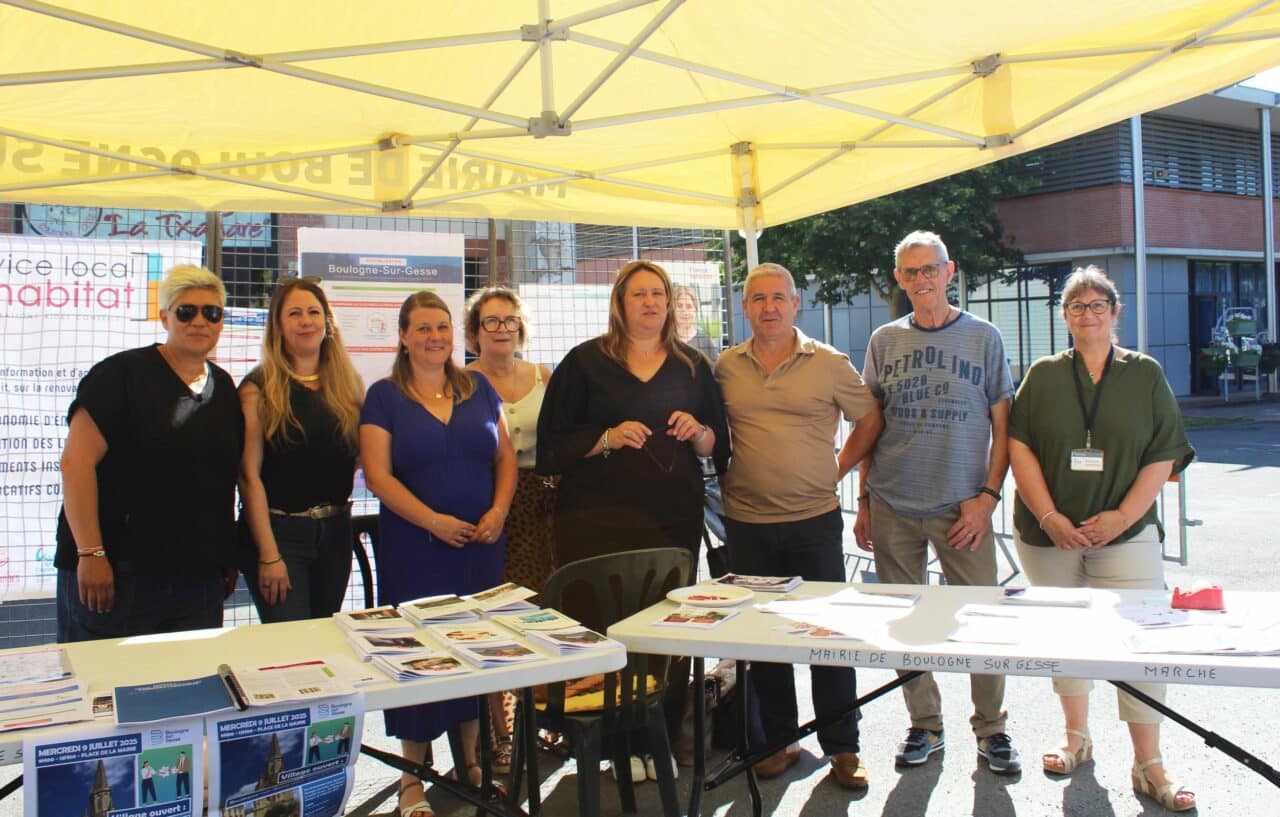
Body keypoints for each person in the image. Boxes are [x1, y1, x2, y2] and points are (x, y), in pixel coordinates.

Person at [1008, 266, 1195, 811]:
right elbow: (1019, 448)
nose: (1087, 315)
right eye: (1075, 307)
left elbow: (1164, 454)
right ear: (1064, 317)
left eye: (1097, 305)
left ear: (1116, 312)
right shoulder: (1042, 375)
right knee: (1065, 642)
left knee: (1141, 646)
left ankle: (1148, 762)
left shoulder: (1146, 374)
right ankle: (1075, 738)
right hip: (1050, 536)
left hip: (1127, 533)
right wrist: (1047, 517)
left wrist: (1121, 516)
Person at [854, 230, 1020, 774]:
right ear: (899, 279)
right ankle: (925, 724)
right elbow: (870, 425)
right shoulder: (884, 340)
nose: (921, 279)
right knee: (908, 622)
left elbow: (1004, 425)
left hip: (962, 508)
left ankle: (992, 729)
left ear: (950, 273)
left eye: (931, 269)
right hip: (894, 503)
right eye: (911, 272)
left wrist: (987, 501)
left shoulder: (983, 337)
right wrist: (863, 502)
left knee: (981, 620)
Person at [715, 262, 884, 790]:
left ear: (796, 304)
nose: (768, 307)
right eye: (758, 298)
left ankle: (843, 747)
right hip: (746, 523)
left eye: (778, 298)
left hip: (814, 521)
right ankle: (779, 741)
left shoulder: (829, 363)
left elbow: (870, 418)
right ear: (745, 308)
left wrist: (838, 469)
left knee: (827, 637)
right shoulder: (724, 368)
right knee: (767, 640)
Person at [361, 291, 516, 817]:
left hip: (480, 546)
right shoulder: (383, 397)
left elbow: (505, 458)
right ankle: (411, 778)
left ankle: (470, 764)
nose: (434, 338)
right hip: (416, 548)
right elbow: (377, 476)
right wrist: (432, 521)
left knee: (474, 652)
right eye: (423, 328)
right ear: (403, 336)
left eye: (442, 327)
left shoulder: (479, 388)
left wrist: (497, 512)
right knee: (418, 658)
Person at [55, 264, 243, 642]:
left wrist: (225, 556)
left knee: (191, 690)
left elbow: (221, 479)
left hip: (197, 581)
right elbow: (76, 464)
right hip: (119, 576)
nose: (199, 321)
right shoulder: (120, 375)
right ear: (164, 317)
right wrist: (90, 554)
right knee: (105, 689)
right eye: (186, 311)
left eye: (212, 312)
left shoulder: (223, 387)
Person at [537, 260, 729, 566]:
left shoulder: (694, 365)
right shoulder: (583, 363)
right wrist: (608, 438)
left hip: (674, 521)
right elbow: (551, 447)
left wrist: (698, 431)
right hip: (594, 523)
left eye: (657, 293)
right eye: (639, 294)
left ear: (668, 301)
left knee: (668, 611)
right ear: (620, 303)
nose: (650, 301)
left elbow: (716, 448)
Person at [464, 287, 556, 775]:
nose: (502, 328)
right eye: (491, 321)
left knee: (545, 614)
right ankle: (499, 735)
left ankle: (542, 717)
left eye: (509, 320)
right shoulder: (460, 382)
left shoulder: (545, 375)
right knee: (496, 619)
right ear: (475, 330)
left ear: (522, 326)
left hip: (547, 509)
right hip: (492, 509)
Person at [238, 277, 364, 623]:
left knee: (325, 636)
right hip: (280, 536)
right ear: (278, 325)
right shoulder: (258, 389)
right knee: (292, 646)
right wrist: (268, 554)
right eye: (294, 313)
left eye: (313, 312)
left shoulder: (347, 387)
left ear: (328, 322)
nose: (306, 321)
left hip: (336, 534)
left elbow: (355, 459)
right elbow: (249, 477)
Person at [673, 285, 719, 361]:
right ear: (672, 309)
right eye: (679, 306)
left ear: (696, 309)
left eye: (689, 306)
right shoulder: (664, 340)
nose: (684, 311)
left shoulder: (705, 342)